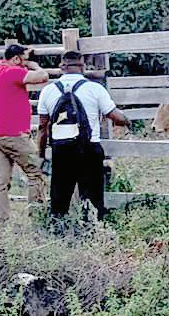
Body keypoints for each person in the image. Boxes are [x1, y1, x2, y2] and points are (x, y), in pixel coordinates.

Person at [36, 51, 130, 224]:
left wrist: (41, 154)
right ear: (83, 66)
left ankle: (58, 228)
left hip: (61, 149)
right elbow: (116, 117)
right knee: (93, 195)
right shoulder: (95, 88)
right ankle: (92, 228)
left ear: (62, 67)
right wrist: (126, 121)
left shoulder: (48, 91)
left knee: (60, 195)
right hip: (89, 148)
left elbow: (43, 127)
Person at [0, 44, 47, 224]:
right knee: (35, 172)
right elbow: (42, 76)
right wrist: (35, 66)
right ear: (15, 59)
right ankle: (37, 218)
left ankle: (2, 221)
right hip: (13, 134)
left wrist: (26, 61)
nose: (25, 63)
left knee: (1, 181)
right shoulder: (13, 72)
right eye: (24, 60)